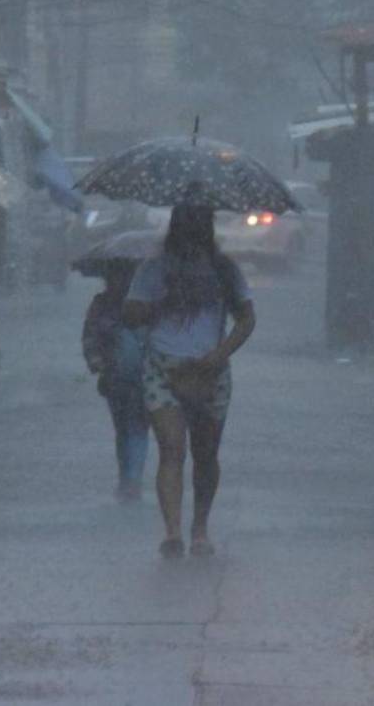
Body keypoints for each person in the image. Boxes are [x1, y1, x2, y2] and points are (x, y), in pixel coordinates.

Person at [123, 205, 256, 558]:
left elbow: (246, 318)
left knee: (206, 453)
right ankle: (172, 531)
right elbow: (131, 313)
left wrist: (221, 353)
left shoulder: (225, 271)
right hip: (163, 369)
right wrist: (162, 301)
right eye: (186, 226)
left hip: (211, 370)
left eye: (199, 226)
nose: (192, 234)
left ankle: (200, 527)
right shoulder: (154, 269)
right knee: (171, 448)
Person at [83, 262, 149, 501]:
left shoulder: (148, 303)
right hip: (115, 379)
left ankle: (132, 480)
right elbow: (90, 338)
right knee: (124, 429)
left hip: (143, 378)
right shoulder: (102, 304)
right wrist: (98, 364)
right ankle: (127, 478)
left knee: (136, 428)